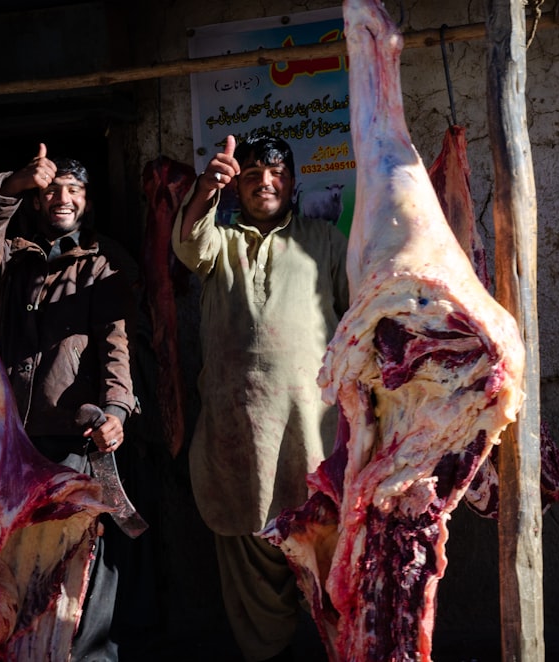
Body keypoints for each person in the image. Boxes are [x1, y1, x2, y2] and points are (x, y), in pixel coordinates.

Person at [0, 144, 143, 661]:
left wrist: (117, 411)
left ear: (87, 201)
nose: (64, 198)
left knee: (87, 552)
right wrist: (11, 184)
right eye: (54, 189)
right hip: (15, 439)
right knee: (21, 555)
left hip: (77, 437)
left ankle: (90, 658)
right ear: (39, 201)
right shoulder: (13, 264)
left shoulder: (102, 266)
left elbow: (116, 344)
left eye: (76, 190)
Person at [172, 133, 349, 662]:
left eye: (275, 174)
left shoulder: (325, 239)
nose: (264, 183)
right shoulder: (219, 243)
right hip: (238, 437)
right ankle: (265, 655)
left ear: (293, 183)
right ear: (236, 187)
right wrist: (206, 188)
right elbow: (187, 243)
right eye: (251, 176)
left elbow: (356, 314)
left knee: (327, 550)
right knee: (247, 541)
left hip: (313, 433)